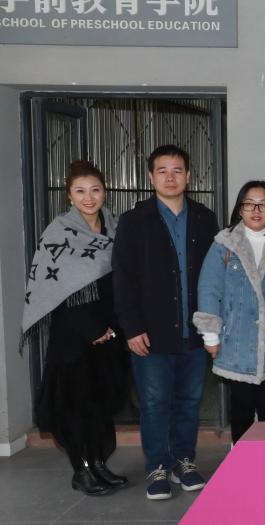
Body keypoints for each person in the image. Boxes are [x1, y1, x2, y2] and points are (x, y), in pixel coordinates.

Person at [112, 145, 219, 500]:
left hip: (194, 331)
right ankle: (157, 465)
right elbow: (123, 278)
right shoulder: (133, 221)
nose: (170, 177)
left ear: (188, 176)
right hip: (151, 332)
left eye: (177, 170)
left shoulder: (205, 219)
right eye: (162, 171)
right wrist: (131, 327)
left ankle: (184, 461)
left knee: (189, 401)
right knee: (155, 402)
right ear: (151, 176)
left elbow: (214, 276)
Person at [21, 161, 128, 496]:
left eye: (95, 190)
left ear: (105, 192)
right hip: (74, 339)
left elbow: (123, 278)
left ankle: (98, 463)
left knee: (100, 405)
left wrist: (112, 327)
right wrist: (92, 329)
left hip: (109, 333)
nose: (88, 197)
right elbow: (57, 291)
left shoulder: (115, 227)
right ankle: (82, 471)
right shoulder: (59, 232)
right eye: (80, 191)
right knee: (77, 407)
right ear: (69, 195)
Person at [194, 181, 265, 443]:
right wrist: (211, 336)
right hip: (236, 343)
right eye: (250, 204)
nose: (256, 210)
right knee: (241, 409)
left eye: (263, 205)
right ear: (240, 208)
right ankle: (241, 460)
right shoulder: (224, 244)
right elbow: (209, 289)